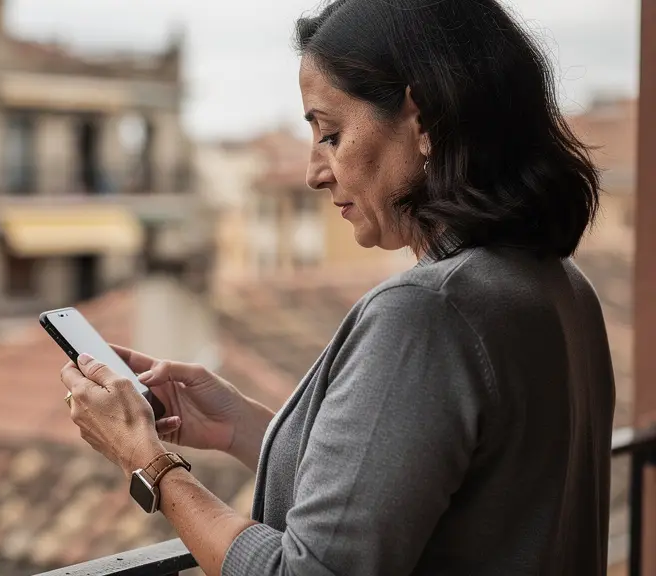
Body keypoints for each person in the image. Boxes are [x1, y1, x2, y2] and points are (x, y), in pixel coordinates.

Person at [58, 0, 615, 574]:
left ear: (424, 123)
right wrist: (248, 429)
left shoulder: (429, 314)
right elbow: (435, 491)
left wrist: (148, 462)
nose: (313, 172)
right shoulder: (561, 288)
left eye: (330, 133)